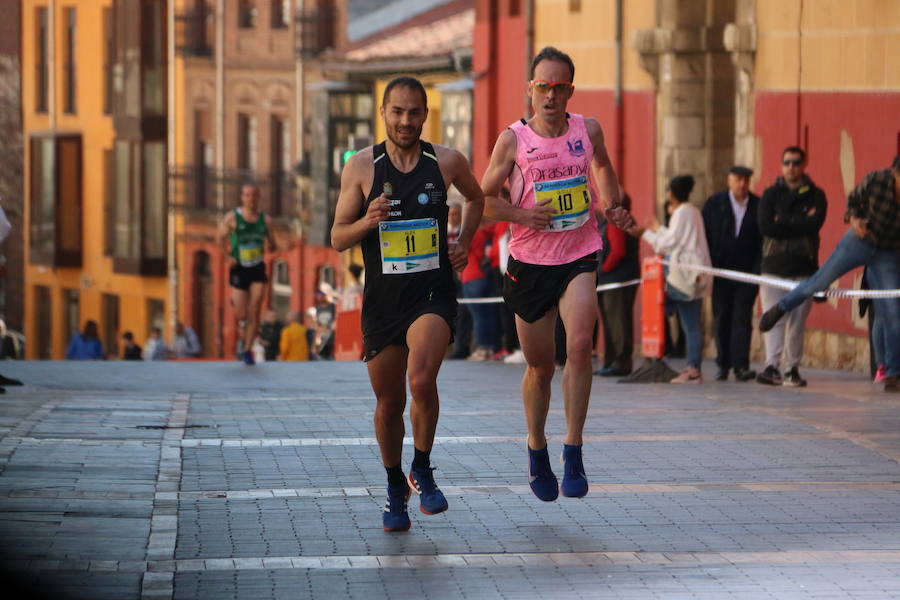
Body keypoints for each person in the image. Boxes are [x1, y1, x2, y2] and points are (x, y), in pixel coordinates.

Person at [480, 47, 635, 502]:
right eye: (542, 86)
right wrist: (521, 215)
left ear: (570, 90)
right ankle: (536, 446)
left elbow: (603, 165)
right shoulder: (512, 140)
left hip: (579, 251)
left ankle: (574, 448)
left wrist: (611, 201)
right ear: (531, 89)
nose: (550, 95)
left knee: (582, 346)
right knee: (539, 368)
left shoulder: (587, 130)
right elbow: (480, 200)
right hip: (530, 263)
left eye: (558, 87)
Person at [331, 75, 484, 531]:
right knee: (388, 401)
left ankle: (422, 465)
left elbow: (478, 198)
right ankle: (395, 485)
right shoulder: (361, 167)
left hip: (431, 292)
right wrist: (367, 221)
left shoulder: (447, 162)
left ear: (425, 114)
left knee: (421, 378)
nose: (405, 120)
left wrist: (465, 242)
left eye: (414, 112)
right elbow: (337, 237)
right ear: (383, 113)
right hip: (383, 301)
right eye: (397, 111)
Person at [760, 154, 900, 393]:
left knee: (893, 312)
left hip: (888, 251)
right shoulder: (877, 180)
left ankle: (893, 374)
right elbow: (854, 199)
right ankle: (780, 308)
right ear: (895, 173)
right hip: (859, 240)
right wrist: (853, 219)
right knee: (820, 281)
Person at [755, 146, 827, 387]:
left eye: (796, 162)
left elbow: (813, 224)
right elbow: (766, 227)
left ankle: (791, 368)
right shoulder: (770, 194)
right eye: (787, 162)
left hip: (804, 268)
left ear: (804, 165)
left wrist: (783, 219)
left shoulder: (816, 195)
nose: (791, 167)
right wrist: (799, 220)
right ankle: (771, 365)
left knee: (797, 322)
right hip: (773, 267)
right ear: (781, 165)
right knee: (773, 318)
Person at [634, 175, 712, 383]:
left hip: (683, 277)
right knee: (691, 323)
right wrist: (658, 228)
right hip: (693, 275)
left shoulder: (682, 212)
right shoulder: (692, 211)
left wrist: (645, 234)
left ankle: (691, 367)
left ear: (672, 193)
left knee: (683, 320)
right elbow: (678, 238)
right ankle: (687, 364)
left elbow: (669, 244)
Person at [702, 165, 762, 382]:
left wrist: (757, 271)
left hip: (747, 274)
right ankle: (723, 364)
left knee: (742, 319)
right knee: (722, 318)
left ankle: (741, 365)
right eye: (738, 179)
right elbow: (705, 236)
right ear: (729, 180)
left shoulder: (758, 205)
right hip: (720, 273)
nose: (742, 184)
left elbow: (761, 241)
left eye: (746, 179)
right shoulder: (714, 204)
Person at [216, 183, 275, 366]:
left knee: (255, 307)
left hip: (257, 267)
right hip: (239, 267)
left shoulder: (265, 220)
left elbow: (272, 242)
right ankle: (239, 309)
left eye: (254, 195)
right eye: (247, 195)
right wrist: (227, 257)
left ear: (258, 198)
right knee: (241, 314)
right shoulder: (232, 218)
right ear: (242, 197)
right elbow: (219, 237)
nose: (251, 198)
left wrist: (272, 246)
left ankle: (247, 349)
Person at [595, 192, 640, 377]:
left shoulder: (616, 223)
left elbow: (618, 252)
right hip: (614, 279)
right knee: (612, 321)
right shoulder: (620, 221)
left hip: (615, 279)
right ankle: (611, 360)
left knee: (618, 321)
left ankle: (620, 362)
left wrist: (602, 270)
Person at [460, 223, 499, 360]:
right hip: (483, 275)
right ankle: (491, 347)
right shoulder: (484, 233)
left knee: (478, 315)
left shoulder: (470, 233)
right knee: (487, 314)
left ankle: (482, 347)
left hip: (471, 274)